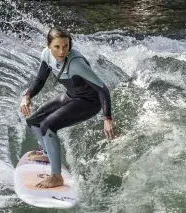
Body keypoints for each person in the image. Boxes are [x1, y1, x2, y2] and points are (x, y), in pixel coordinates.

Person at [19, 26, 116, 188]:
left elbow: (102, 88)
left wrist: (107, 118)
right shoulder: (46, 55)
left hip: (89, 102)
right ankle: (47, 153)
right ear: (48, 46)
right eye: (57, 46)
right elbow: (40, 80)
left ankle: (56, 177)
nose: (62, 51)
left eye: (66, 46)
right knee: (33, 121)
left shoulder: (76, 63)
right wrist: (27, 96)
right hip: (72, 95)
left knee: (47, 126)